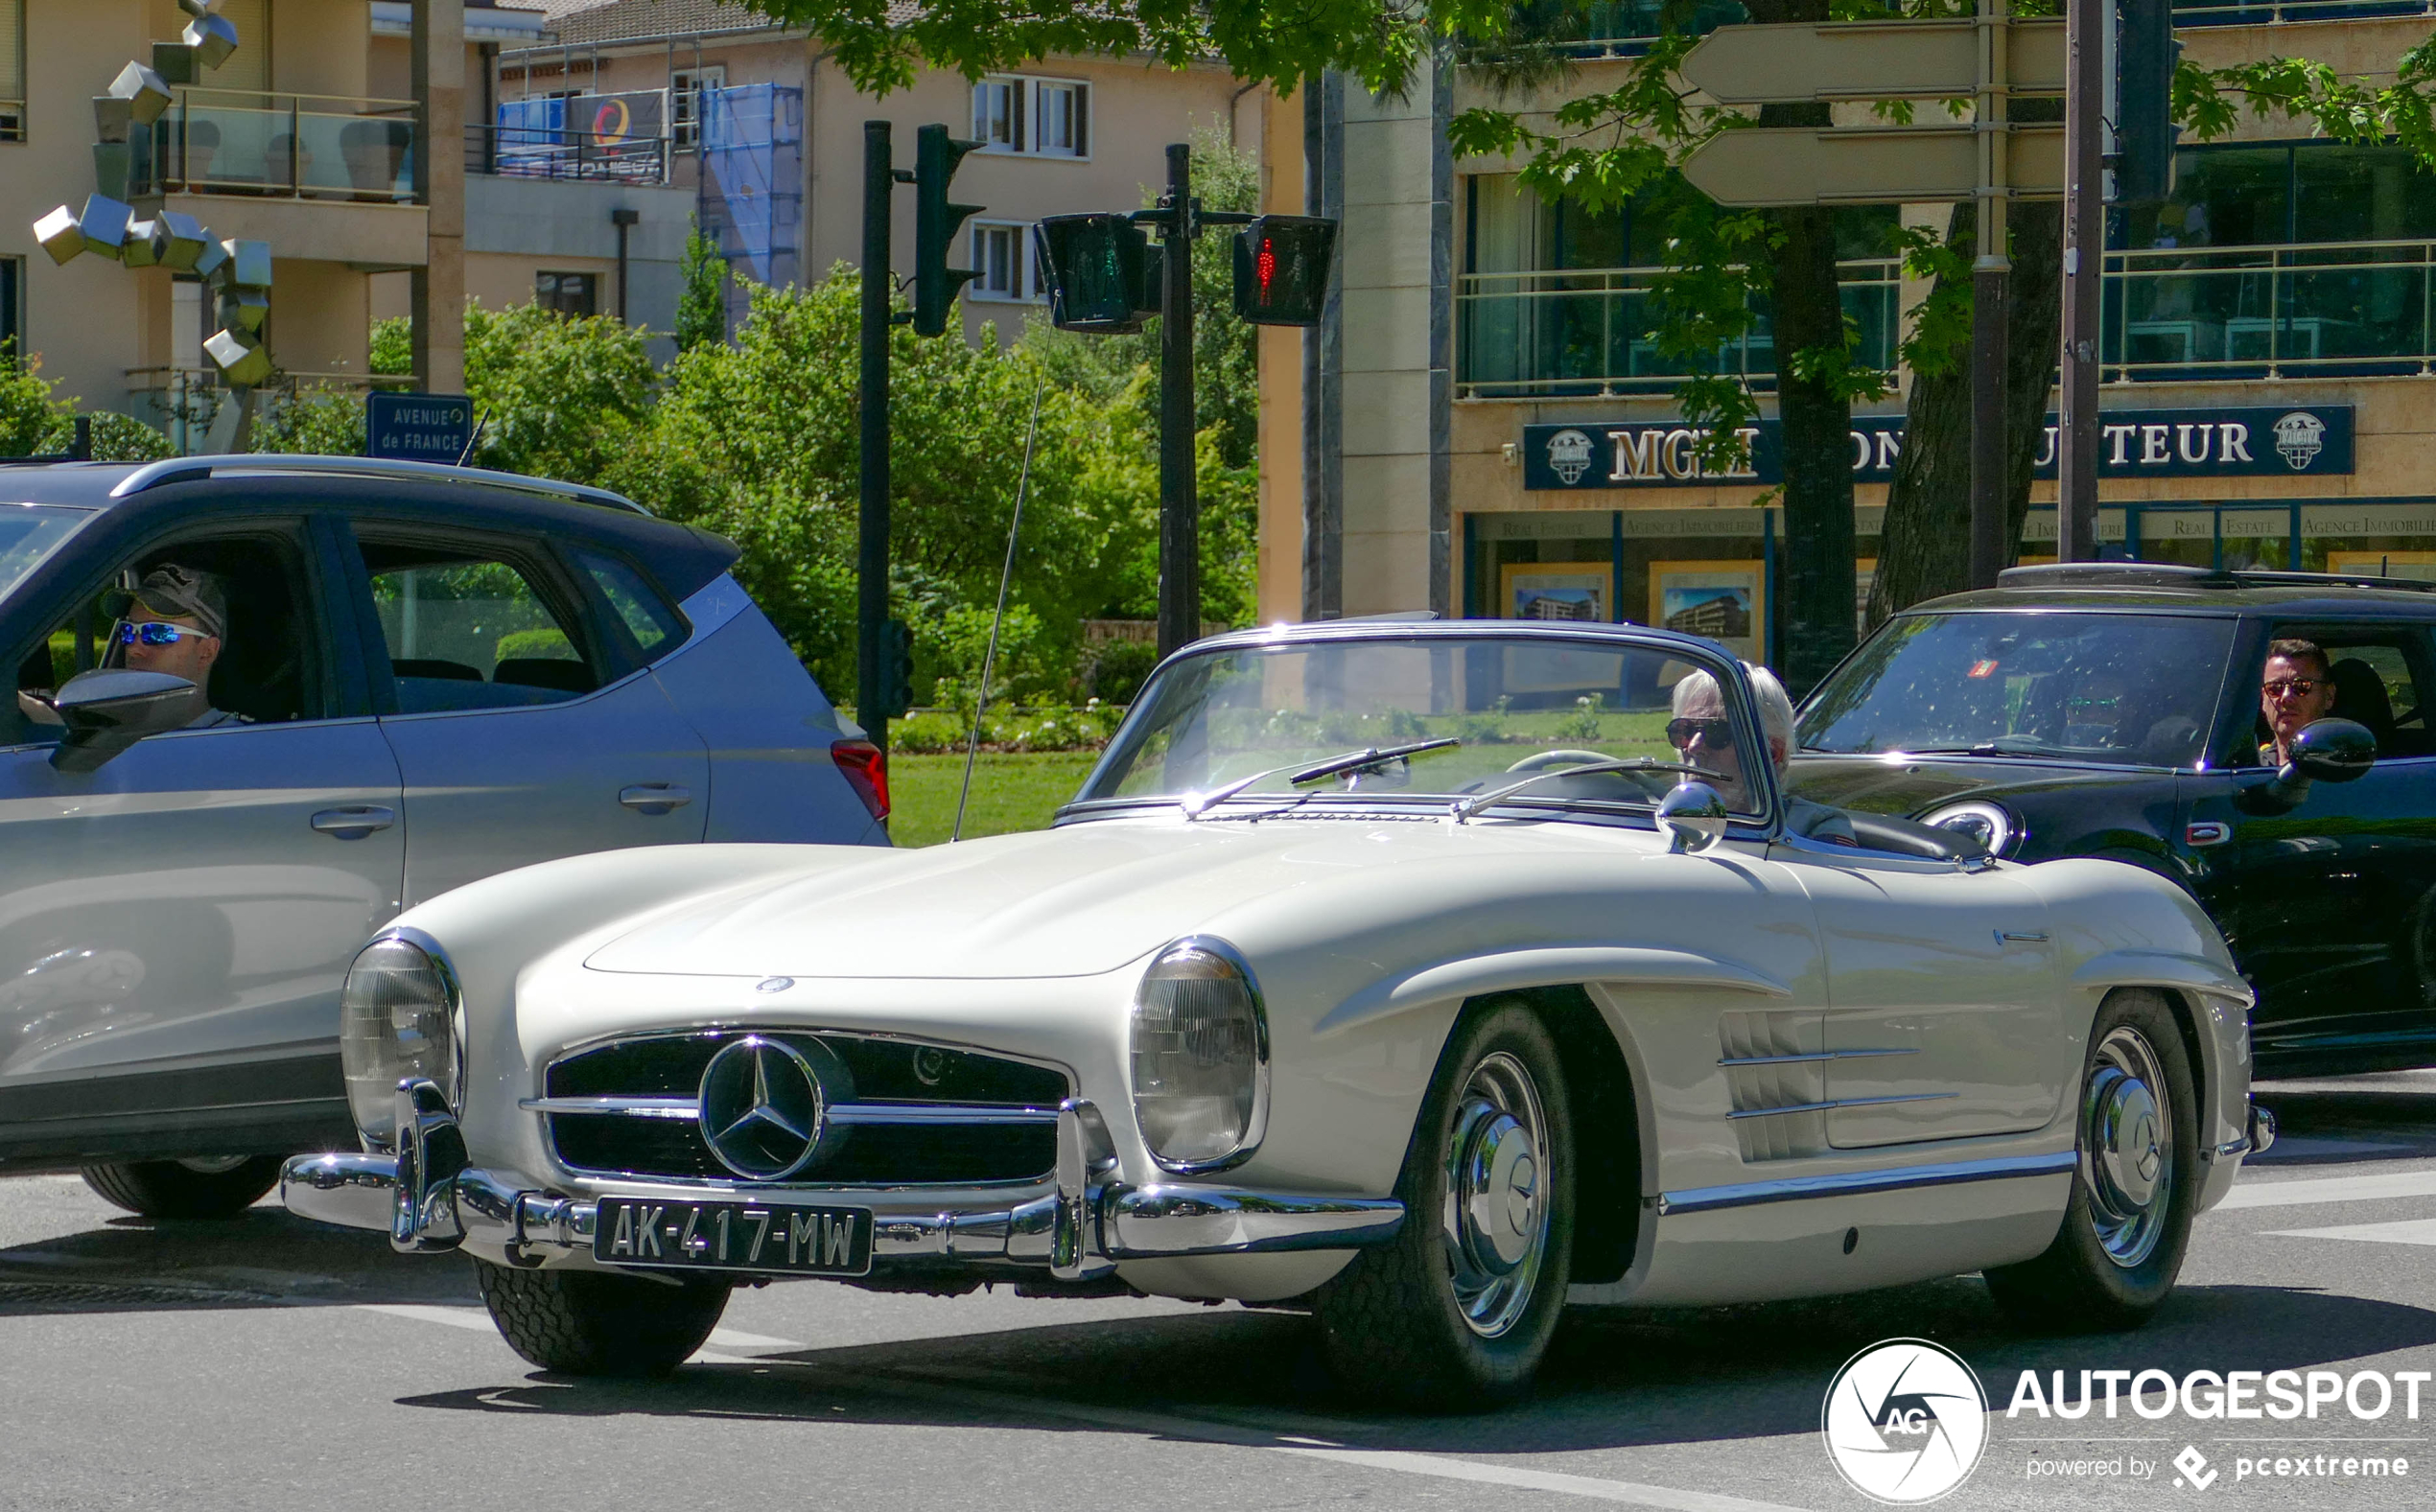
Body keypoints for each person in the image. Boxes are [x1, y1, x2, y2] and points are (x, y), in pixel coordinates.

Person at [1669, 663, 1856, 844]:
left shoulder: (1816, 828)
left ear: (1772, 752)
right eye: (1684, 731)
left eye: (1717, 732)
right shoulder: (1653, 815)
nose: (1693, 747)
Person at [115, 565, 246, 729]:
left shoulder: (235, 745)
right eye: (128, 631)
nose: (133, 648)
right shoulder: (104, 735)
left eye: (158, 633)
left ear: (207, 652)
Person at [2259, 637, 2335, 768]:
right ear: (2263, 699)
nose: (2286, 697)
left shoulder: (2345, 769)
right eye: (2274, 688)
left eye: (2301, 686)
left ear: (2329, 696)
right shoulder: (2247, 772)